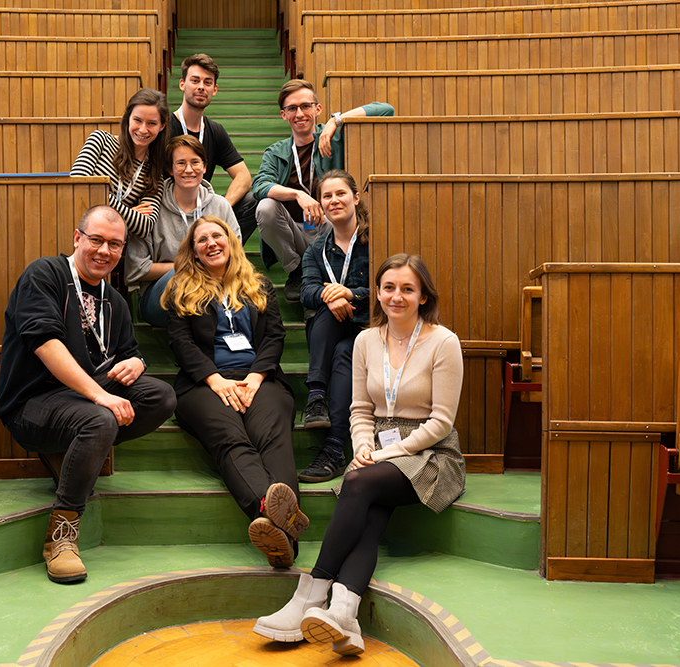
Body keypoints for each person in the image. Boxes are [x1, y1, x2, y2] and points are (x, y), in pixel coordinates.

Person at [253, 253, 465, 656]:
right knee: (368, 512)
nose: (396, 296)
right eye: (389, 288)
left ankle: (310, 596)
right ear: (378, 293)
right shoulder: (366, 340)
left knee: (356, 481)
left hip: (429, 451)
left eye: (407, 289)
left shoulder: (443, 341)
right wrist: (364, 446)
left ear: (423, 296)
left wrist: (387, 453)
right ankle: (344, 613)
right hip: (377, 448)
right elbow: (360, 410)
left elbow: (441, 422)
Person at [0, 205, 176, 584]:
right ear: (77, 238)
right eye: (96, 240)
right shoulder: (45, 274)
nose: (104, 251)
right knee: (100, 417)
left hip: (84, 401)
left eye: (114, 244)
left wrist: (138, 363)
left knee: (161, 396)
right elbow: (45, 344)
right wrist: (99, 395)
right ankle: (61, 534)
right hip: (32, 404)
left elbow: (129, 352)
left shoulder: (116, 300)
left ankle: (76, 451)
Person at [161, 216, 308, 568]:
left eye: (217, 235)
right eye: (202, 240)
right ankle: (273, 514)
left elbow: (274, 337)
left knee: (272, 435)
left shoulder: (258, 285)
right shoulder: (180, 288)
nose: (211, 243)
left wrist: (256, 378)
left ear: (231, 241)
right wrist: (216, 380)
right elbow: (180, 344)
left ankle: (277, 531)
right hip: (203, 384)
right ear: (193, 252)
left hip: (260, 379)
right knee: (231, 437)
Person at [250, 79, 393, 303]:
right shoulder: (276, 152)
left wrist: (337, 120)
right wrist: (298, 194)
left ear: (317, 109)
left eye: (306, 106)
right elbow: (259, 186)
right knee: (265, 207)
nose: (300, 113)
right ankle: (296, 270)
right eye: (292, 108)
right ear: (283, 115)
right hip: (295, 231)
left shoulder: (334, 138)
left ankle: (327, 278)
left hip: (332, 226)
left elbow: (386, 110)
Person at [297, 170, 370, 483]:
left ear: (355, 197)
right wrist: (330, 293)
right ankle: (316, 401)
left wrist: (350, 293)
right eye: (327, 196)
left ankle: (334, 446)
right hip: (332, 326)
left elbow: (390, 287)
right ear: (321, 204)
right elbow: (306, 292)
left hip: (369, 327)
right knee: (326, 310)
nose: (334, 201)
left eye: (340, 193)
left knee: (346, 352)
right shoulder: (317, 249)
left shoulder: (376, 239)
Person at [125, 134, 240, 328]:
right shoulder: (152, 207)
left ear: (204, 166)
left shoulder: (221, 206)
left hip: (215, 292)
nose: (189, 169)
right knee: (180, 277)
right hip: (160, 298)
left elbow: (236, 256)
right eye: (180, 163)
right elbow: (135, 270)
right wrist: (187, 265)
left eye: (195, 162)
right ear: (170, 169)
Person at [170, 53, 257, 242]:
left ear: (214, 89)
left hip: (203, 209)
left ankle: (223, 255)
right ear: (182, 84)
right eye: (195, 80)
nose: (201, 86)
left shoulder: (215, 131)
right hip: (169, 211)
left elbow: (243, 176)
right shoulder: (163, 126)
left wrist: (222, 206)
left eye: (207, 82)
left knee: (254, 201)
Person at [71, 89, 169, 239]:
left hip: (113, 245)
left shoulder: (154, 172)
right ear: (128, 118)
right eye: (137, 120)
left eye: (151, 123)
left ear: (162, 126)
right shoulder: (101, 140)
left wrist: (101, 199)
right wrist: (128, 211)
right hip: (80, 232)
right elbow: (79, 186)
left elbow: (145, 226)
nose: (143, 129)